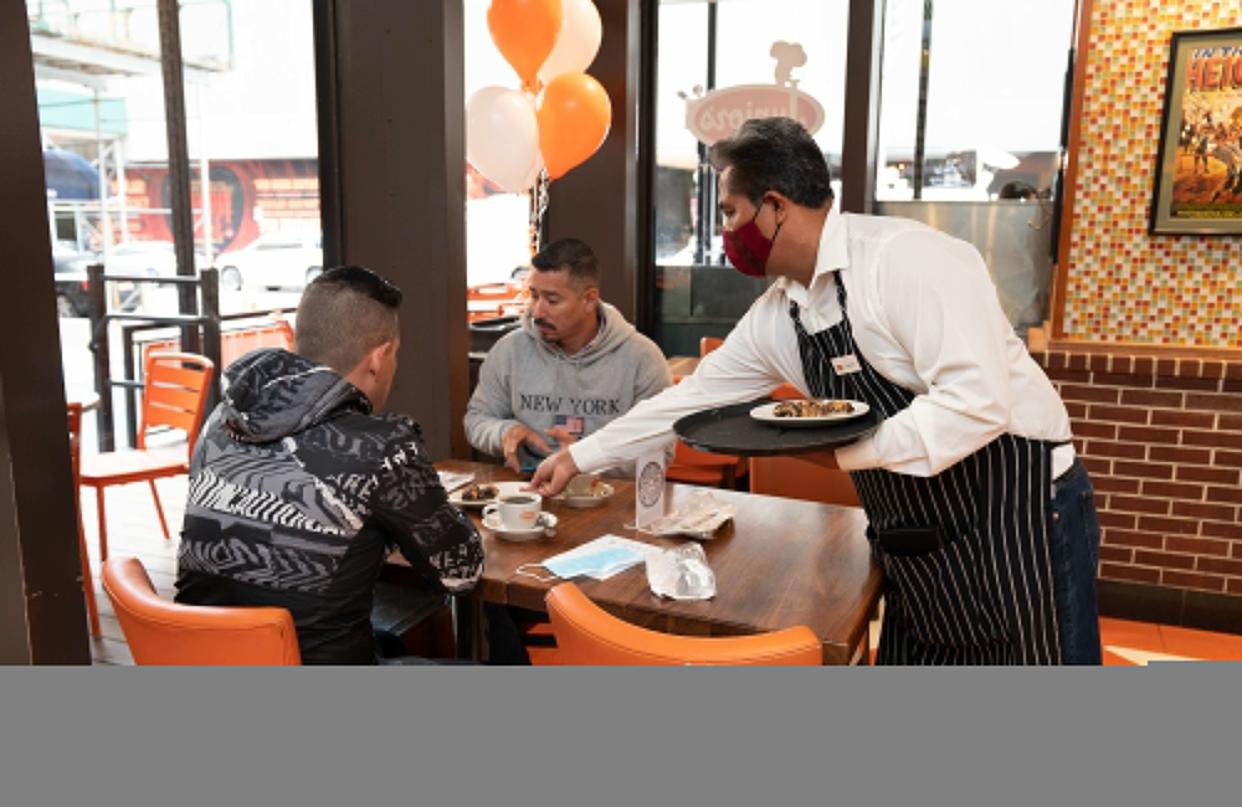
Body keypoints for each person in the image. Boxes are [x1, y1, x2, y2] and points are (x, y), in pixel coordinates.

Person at [532, 117, 1101, 666]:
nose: (725, 232)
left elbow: (977, 404)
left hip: (1015, 513)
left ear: (775, 206)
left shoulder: (906, 260)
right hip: (917, 540)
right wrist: (578, 457)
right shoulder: (782, 313)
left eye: (730, 212)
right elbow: (692, 397)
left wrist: (845, 453)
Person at [175, 266, 485, 665]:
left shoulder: (222, 420)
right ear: (380, 356)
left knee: (390, 639)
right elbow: (462, 572)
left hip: (202, 664)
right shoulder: (381, 446)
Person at [464, 238, 671, 473]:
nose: (537, 311)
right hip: (529, 493)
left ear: (589, 299)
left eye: (552, 300)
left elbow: (660, 450)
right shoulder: (510, 350)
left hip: (611, 498)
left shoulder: (642, 358)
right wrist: (504, 432)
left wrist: (584, 460)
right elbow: (476, 419)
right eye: (533, 296)